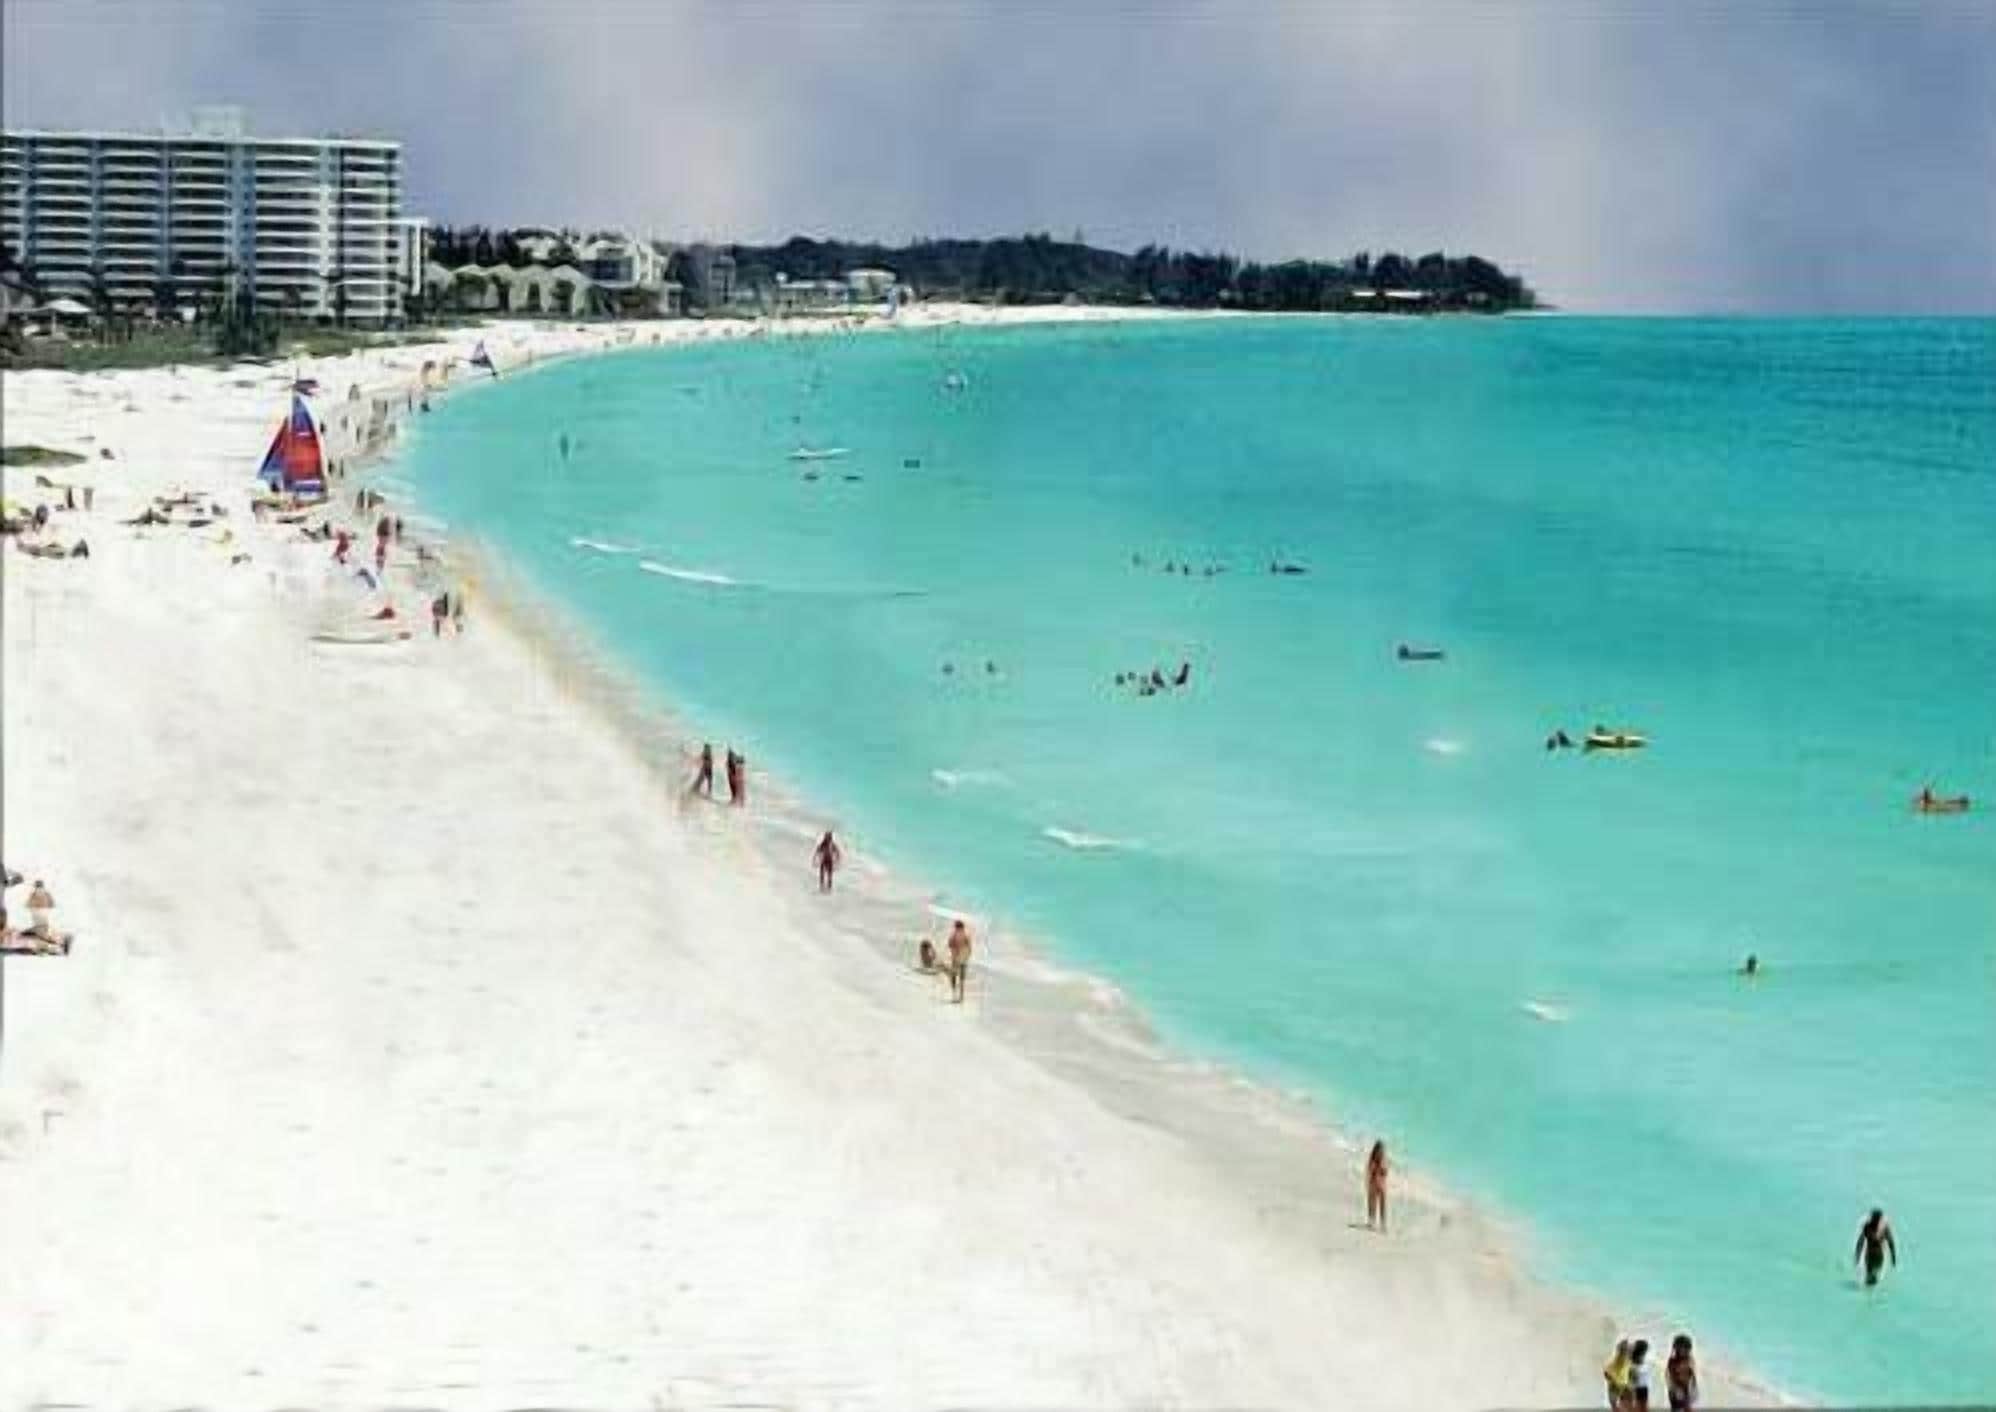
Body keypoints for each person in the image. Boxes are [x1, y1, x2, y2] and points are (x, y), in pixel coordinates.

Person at [1854, 1207, 1897, 1287]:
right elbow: (1860, 1243)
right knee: (1869, 1276)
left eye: (1877, 1218)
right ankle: (1869, 1294)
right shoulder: (1867, 1226)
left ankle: (1872, 1293)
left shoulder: (1884, 1228)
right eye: (1874, 1218)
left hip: (1879, 1256)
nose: (1875, 1220)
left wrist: (1893, 1258)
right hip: (1869, 1256)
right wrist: (1857, 1257)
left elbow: (1891, 1242)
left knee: (1874, 1276)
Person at [1665, 1334, 1698, 1412]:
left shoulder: (1689, 1359)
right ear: (1676, 1348)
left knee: (1687, 1407)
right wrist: (1674, 1388)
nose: (1683, 1350)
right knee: (1677, 1408)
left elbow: (1693, 1374)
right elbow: (1669, 1376)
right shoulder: (1672, 1360)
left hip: (1685, 1388)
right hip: (1675, 1389)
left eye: (1686, 1348)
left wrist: (1694, 1386)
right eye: (1681, 1348)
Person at [946, 918, 973, 1003]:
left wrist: (954, 951)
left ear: (956, 927)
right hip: (963, 959)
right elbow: (969, 948)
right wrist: (967, 956)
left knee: (954, 976)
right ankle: (961, 996)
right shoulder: (966, 935)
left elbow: (950, 945)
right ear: (962, 927)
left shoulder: (953, 935)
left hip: (956, 958)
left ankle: (955, 994)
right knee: (961, 978)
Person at [1365, 1140, 1390, 1231]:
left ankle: (1383, 1224)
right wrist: (1368, 1184)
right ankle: (1371, 1222)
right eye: (1380, 1150)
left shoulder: (1384, 1160)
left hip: (1382, 1185)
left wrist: (1383, 1168)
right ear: (1376, 1150)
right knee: (1372, 1204)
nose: (1381, 1152)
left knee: (1382, 1205)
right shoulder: (1372, 1161)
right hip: (1373, 1184)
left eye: (1382, 1150)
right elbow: (1369, 1172)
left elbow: (1386, 1173)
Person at [1603, 1340, 1634, 1412]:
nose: (1628, 1354)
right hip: (1616, 1388)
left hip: (1623, 1388)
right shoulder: (1611, 1364)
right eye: (1627, 1352)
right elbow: (1606, 1373)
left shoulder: (1627, 1362)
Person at [1627, 1339, 1652, 1410]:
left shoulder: (1644, 1362)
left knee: (1643, 1407)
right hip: (1636, 1388)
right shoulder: (1632, 1365)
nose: (1646, 1352)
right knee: (1638, 1407)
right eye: (1645, 1350)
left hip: (1644, 1387)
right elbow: (1631, 1380)